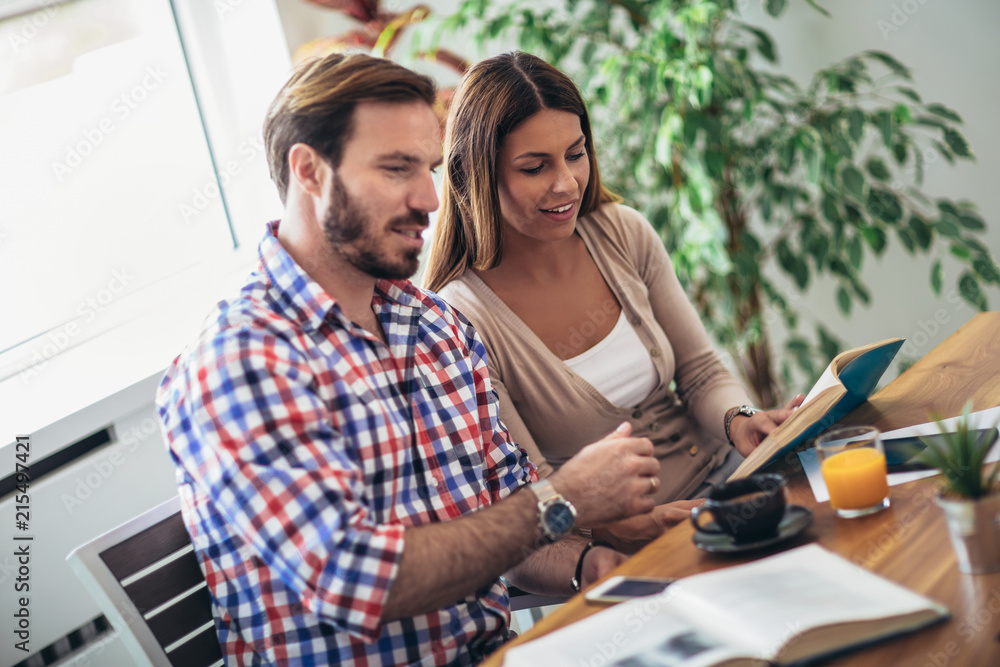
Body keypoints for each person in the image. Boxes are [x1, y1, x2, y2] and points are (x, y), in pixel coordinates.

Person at [156, 53, 661, 666]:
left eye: (430, 167)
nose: (429, 197)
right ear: (310, 171)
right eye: (398, 169)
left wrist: (588, 561)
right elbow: (354, 578)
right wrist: (562, 501)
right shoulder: (242, 361)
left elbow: (506, 525)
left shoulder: (433, 327)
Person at [424, 52, 802, 552]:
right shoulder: (461, 319)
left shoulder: (621, 233)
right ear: (474, 175)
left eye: (575, 154)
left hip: (732, 484)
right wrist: (612, 530)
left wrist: (740, 419)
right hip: (627, 548)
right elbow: (530, 492)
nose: (566, 184)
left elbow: (701, 372)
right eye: (535, 167)